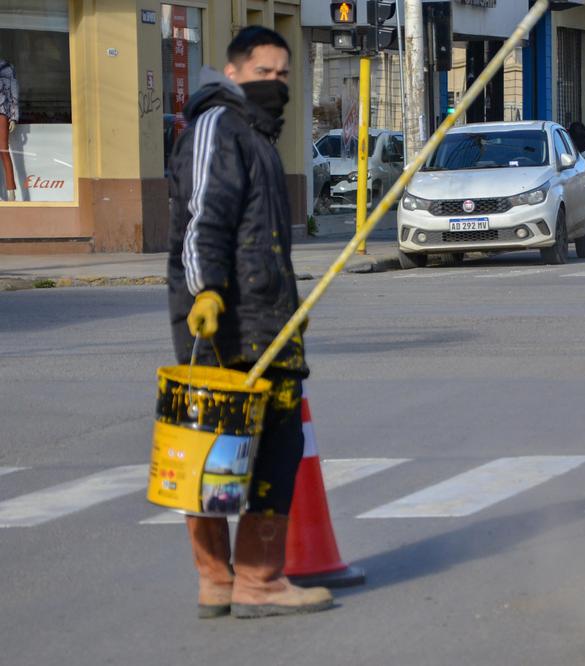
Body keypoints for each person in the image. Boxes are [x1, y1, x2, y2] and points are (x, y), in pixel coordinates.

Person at [167, 26, 333, 619]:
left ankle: (253, 578)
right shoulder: (218, 125)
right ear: (234, 73)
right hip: (220, 323)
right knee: (212, 451)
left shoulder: (257, 135)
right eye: (266, 73)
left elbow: (259, 241)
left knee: (274, 446)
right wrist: (205, 293)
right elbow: (202, 220)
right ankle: (223, 579)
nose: (278, 84)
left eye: (284, 75)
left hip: (267, 321)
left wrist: (286, 306)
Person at [0, 59, 18, 202]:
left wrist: (13, 117)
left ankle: (11, 193)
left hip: (2, 113)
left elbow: (14, 93)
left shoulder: (7, 68)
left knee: (3, 151)